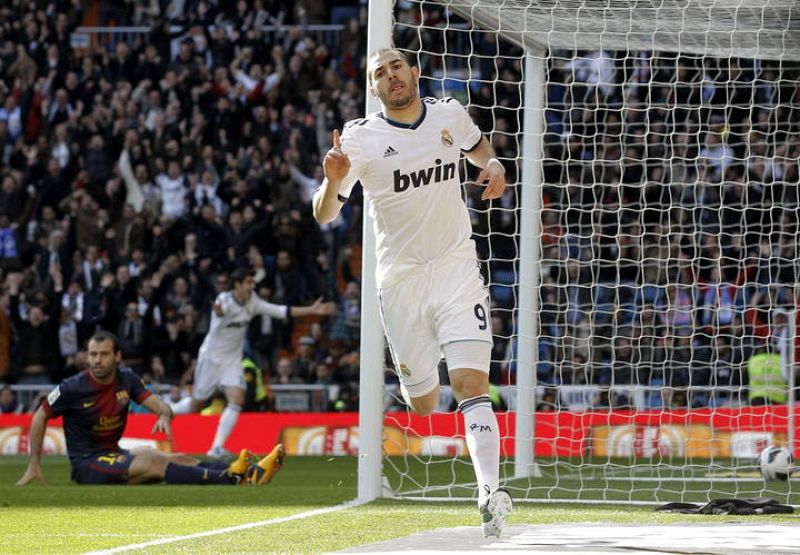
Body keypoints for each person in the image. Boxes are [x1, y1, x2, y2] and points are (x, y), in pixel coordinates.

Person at [313, 47, 512, 537]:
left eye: (396, 66)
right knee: (423, 403)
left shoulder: (449, 114)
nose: (391, 76)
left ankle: (490, 493)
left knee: (470, 384)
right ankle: (423, 392)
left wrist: (496, 166)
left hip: (455, 268)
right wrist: (331, 180)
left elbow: (480, 148)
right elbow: (324, 214)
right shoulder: (360, 139)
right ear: (374, 89)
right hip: (400, 283)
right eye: (380, 73)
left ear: (414, 72)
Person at [16, 331, 284, 486]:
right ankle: (230, 478)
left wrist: (164, 414)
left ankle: (243, 470)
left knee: (175, 457)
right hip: (87, 464)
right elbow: (39, 417)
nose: (97, 360)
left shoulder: (127, 379)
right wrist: (34, 464)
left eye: (104, 354)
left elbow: (161, 406)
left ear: (117, 356)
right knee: (153, 460)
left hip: (113, 453)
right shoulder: (72, 387)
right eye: (93, 354)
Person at [189, 268, 336, 457]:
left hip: (232, 360)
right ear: (237, 284)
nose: (252, 286)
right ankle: (167, 411)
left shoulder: (253, 302)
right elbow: (219, 310)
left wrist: (311, 310)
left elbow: (281, 311)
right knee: (195, 406)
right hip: (211, 358)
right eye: (248, 282)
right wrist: (218, 312)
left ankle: (216, 448)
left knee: (237, 399)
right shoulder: (224, 300)